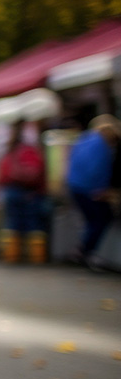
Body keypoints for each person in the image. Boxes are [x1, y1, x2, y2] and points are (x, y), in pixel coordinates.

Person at [65, 115, 120, 268]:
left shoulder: (84, 138)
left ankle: (83, 250)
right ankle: (84, 251)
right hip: (89, 188)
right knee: (101, 219)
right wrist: (101, 190)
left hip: (75, 186)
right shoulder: (101, 145)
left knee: (92, 220)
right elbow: (98, 170)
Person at [0, 121, 47, 263]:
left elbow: (1, 176)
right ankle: (36, 258)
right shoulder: (31, 150)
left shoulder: (10, 150)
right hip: (29, 193)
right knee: (33, 224)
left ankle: (11, 256)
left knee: (12, 223)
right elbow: (39, 173)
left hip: (11, 191)